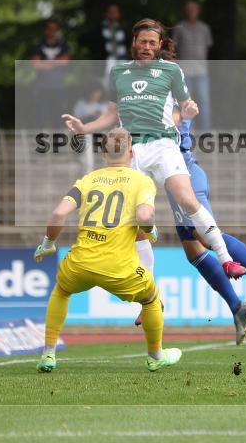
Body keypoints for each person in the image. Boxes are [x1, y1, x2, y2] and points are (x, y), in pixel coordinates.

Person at [62, 18, 245, 278]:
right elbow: (112, 115)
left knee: (187, 199)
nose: (147, 46)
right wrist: (84, 128)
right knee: (137, 221)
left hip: (164, 145)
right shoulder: (118, 73)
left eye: (152, 42)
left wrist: (190, 109)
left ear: (159, 45)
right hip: (132, 151)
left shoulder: (170, 70)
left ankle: (226, 259)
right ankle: (148, 290)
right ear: (134, 43)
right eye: (142, 41)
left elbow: (186, 106)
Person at [33, 128, 181, 372]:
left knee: (61, 290)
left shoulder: (88, 179)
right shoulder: (141, 180)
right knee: (152, 298)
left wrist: (47, 244)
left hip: (80, 262)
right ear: (131, 152)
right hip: (119, 268)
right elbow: (144, 215)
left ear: (103, 153)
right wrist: (151, 230)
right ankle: (156, 356)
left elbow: (58, 213)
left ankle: (48, 354)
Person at [157, 75, 246, 345]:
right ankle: (237, 307)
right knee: (193, 250)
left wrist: (185, 117)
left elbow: (179, 121)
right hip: (173, 180)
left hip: (185, 175)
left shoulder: (166, 93)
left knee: (203, 237)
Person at [173, 1, 213, 129]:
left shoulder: (204, 28)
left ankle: (206, 132)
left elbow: (208, 47)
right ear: (186, 11)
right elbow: (173, 48)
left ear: (198, 11)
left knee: (204, 102)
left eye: (194, 10)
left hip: (202, 71)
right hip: (184, 72)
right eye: (189, 10)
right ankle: (189, 132)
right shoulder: (180, 27)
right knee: (186, 103)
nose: (192, 12)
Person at [30, 18, 71, 129]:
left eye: (54, 29)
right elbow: (36, 64)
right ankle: (40, 142)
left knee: (58, 116)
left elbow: (66, 61)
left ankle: (57, 143)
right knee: (41, 115)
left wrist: (46, 63)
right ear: (45, 30)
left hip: (58, 86)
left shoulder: (63, 46)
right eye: (49, 29)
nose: (52, 31)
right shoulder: (37, 46)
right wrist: (57, 62)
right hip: (42, 86)